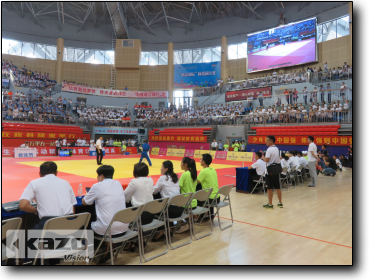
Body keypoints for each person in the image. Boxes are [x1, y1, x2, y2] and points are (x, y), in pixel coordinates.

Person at [82, 165, 128, 259]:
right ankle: (108, 246)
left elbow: (85, 202)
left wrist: (88, 194)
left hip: (107, 229)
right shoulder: (118, 183)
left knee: (85, 224)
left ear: (102, 176)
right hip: (124, 226)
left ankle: (90, 253)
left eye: (98, 176)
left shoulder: (97, 186)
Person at [19, 162, 77, 229]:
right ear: (56, 172)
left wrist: (36, 210)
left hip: (49, 225)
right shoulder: (66, 183)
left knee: (26, 235)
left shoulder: (34, 183)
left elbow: (23, 205)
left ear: (40, 174)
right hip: (69, 224)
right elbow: (73, 209)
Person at [152, 161, 182, 240]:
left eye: (162, 167)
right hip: (179, 209)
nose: (160, 168)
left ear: (166, 169)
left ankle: (160, 232)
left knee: (154, 208)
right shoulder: (176, 177)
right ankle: (170, 229)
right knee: (167, 202)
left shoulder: (163, 178)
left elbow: (154, 191)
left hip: (170, 211)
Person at [177, 157, 198, 233]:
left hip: (186, 204)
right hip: (194, 203)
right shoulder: (194, 174)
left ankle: (185, 224)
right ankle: (190, 222)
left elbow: (178, 187)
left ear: (185, 164)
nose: (180, 165)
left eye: (181, 163)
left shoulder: (184, 175)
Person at [197, 154, 220, 220]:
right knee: (209, 193)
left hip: (211, 200)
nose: (200, 160)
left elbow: (196, 183)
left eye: (201, 159)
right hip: (217, 198)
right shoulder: (213, 170)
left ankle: (201, 217)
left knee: (195, 198)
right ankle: (210, 214)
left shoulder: (203, 171)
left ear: (203, 162)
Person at [262, 136, 282, 209]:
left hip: (269, 171)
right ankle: (280, 203)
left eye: (267, 140)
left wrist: (263, 157)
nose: (266, 141)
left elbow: (266, 160)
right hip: (276, 170)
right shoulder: (278, 149)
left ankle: (270, 204)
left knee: (269, 188)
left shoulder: (269, 150)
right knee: (277, 187)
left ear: (271, 141)